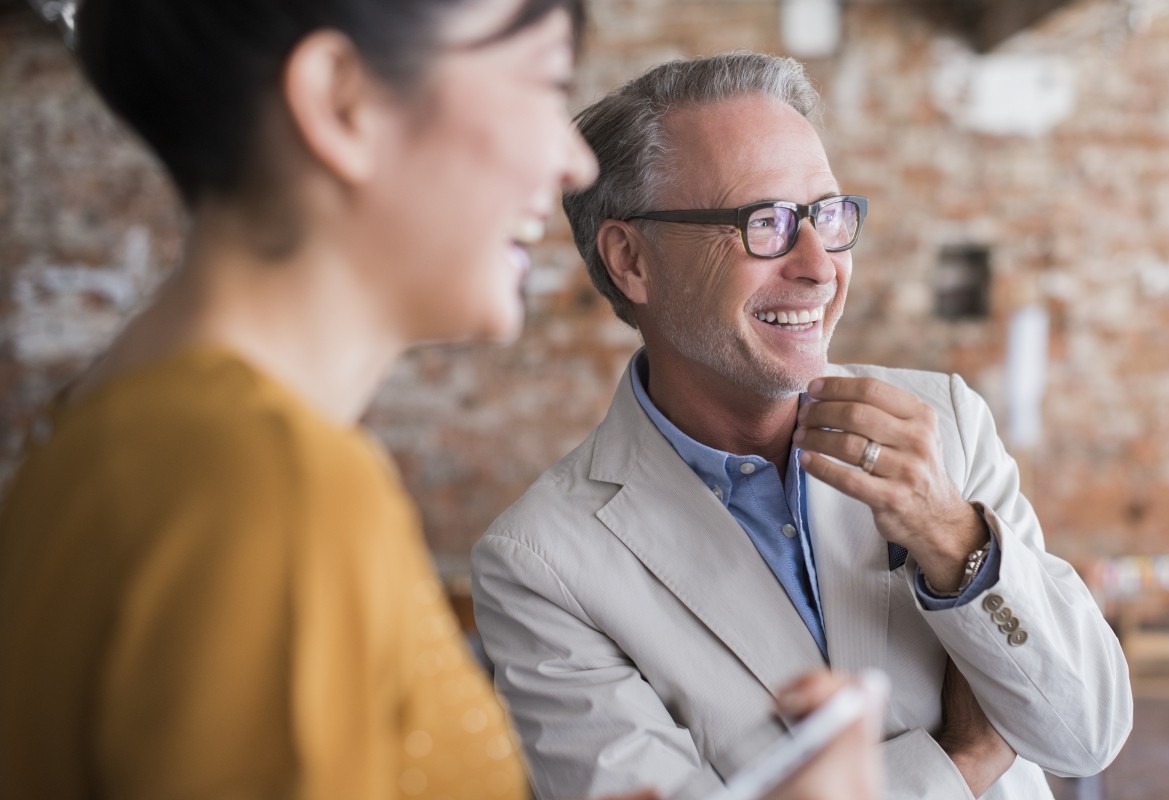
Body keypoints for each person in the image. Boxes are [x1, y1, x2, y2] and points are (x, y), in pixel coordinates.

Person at [0, 4, 882, 799]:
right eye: (534, 84)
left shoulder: (128, 432)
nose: (569, 159)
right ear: (342, 102)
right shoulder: (264, 480)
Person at [471, 51, 1134, 800]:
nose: (820, 266)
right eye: (767, 223)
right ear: (631, 261)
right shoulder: (542, 563)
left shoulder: (942, 422)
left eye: (827, 215)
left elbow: (1085, 734)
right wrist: (960, 762)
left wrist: (956, 539)